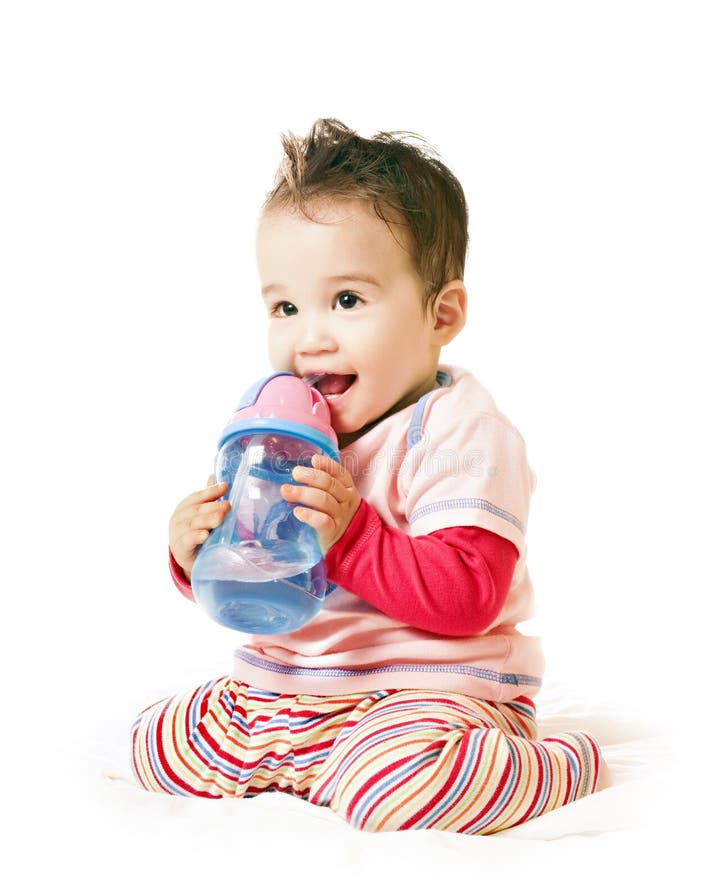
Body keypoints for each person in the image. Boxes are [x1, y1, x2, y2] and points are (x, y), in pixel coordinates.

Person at [131, 118, 609, 833]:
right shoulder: (279, 428)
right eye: (285, 307)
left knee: (395, 794)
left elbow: (470, 597)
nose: (310, 336)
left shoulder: (457, 431)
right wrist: (195, 549)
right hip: (295, 686)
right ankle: (319, 761)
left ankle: (556, 763)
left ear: (440, 314)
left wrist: (351, 533)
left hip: (430, 689)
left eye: (347, 300)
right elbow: (261, 563)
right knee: (156, 747)